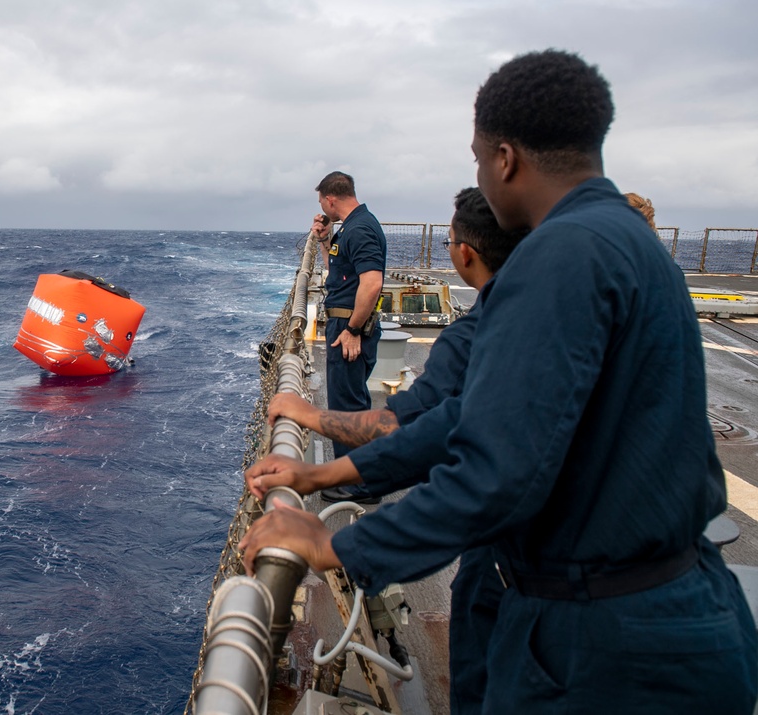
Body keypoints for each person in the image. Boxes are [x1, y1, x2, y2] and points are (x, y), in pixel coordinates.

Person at [241, 50, 757, 714]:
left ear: (506, 159)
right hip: (665, 619)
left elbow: (494, 472)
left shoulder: (559, 257)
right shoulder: (630, 242)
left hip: (605, 652)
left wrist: (333, 543)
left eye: (479, 158)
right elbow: (460, 421)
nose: (480, 177)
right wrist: (318, 476)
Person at [266, 186, 527, 713]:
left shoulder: (483, 336)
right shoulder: (563, 316)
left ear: (463, 252)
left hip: (530, 579)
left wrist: (338, 544)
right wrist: (318, 476)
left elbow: (426, 436)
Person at [311, 171, 386, 503]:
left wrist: (354, 330)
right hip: (344, 326)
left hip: (349, 330)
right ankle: (359, 477)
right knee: (351, 403)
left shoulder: (361, 229)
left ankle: (360, 486)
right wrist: (326, 240)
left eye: (321, 204)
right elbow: (340, 275)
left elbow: (372, 284)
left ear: (330, 199)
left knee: (348, 410)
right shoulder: (351, 228)